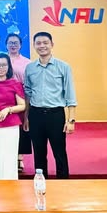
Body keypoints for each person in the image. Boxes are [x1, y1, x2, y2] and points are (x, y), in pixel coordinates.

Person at [24, 32, 77, 179]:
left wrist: (71, 120)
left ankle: (63, 183)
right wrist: (26, 117)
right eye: (38, 43)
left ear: (52, 44)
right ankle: (41, 184)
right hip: (36, 115)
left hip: (55, 115)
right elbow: (28, 93)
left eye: (45, 42)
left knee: (59, 152)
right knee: (39, 153)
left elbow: (70, 94)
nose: (42, 46)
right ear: (34, 46)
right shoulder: (30, 68)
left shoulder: (63, 67)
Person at [6, 33, 32, 172]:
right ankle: (7, 157)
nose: (13, 45)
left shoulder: (27, 62)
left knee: (21, 126)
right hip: (4, 96)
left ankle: (19, 157)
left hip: (21, 95)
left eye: (15, 43)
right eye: (10, 42)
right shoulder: (1, 59)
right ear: (6, 44)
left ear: (20, 45)